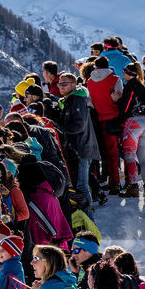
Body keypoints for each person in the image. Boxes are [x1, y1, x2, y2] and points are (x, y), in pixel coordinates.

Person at [55, 72, 99, 212]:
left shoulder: (76, 101)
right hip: (80, 148)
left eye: (64, 83)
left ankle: (90, 218)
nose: (60, 86)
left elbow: (79, 125)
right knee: (81, 184)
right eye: (59, 83)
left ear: (73, 85)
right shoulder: (71, 100)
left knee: (82, 186)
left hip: (82, 148)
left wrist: (59, 129)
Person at [83, 57, 123, 196]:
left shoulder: (89, 82)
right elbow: (119, 97)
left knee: (103, 153)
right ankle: (115, 183)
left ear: (96, 67)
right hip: (114, 118)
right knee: (114, 153)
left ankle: (104, 180)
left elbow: (91, 102)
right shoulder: (115, 79)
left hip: (98, 119)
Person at [116, 62, 145, 197]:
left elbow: (125, 107)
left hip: (133, 123)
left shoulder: (130, 87)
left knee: (129, 157)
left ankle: (133, 187)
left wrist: (120, 117)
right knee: (143, 159)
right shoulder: (143, 88)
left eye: (124, 72)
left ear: (129, 74)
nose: (122, 74)